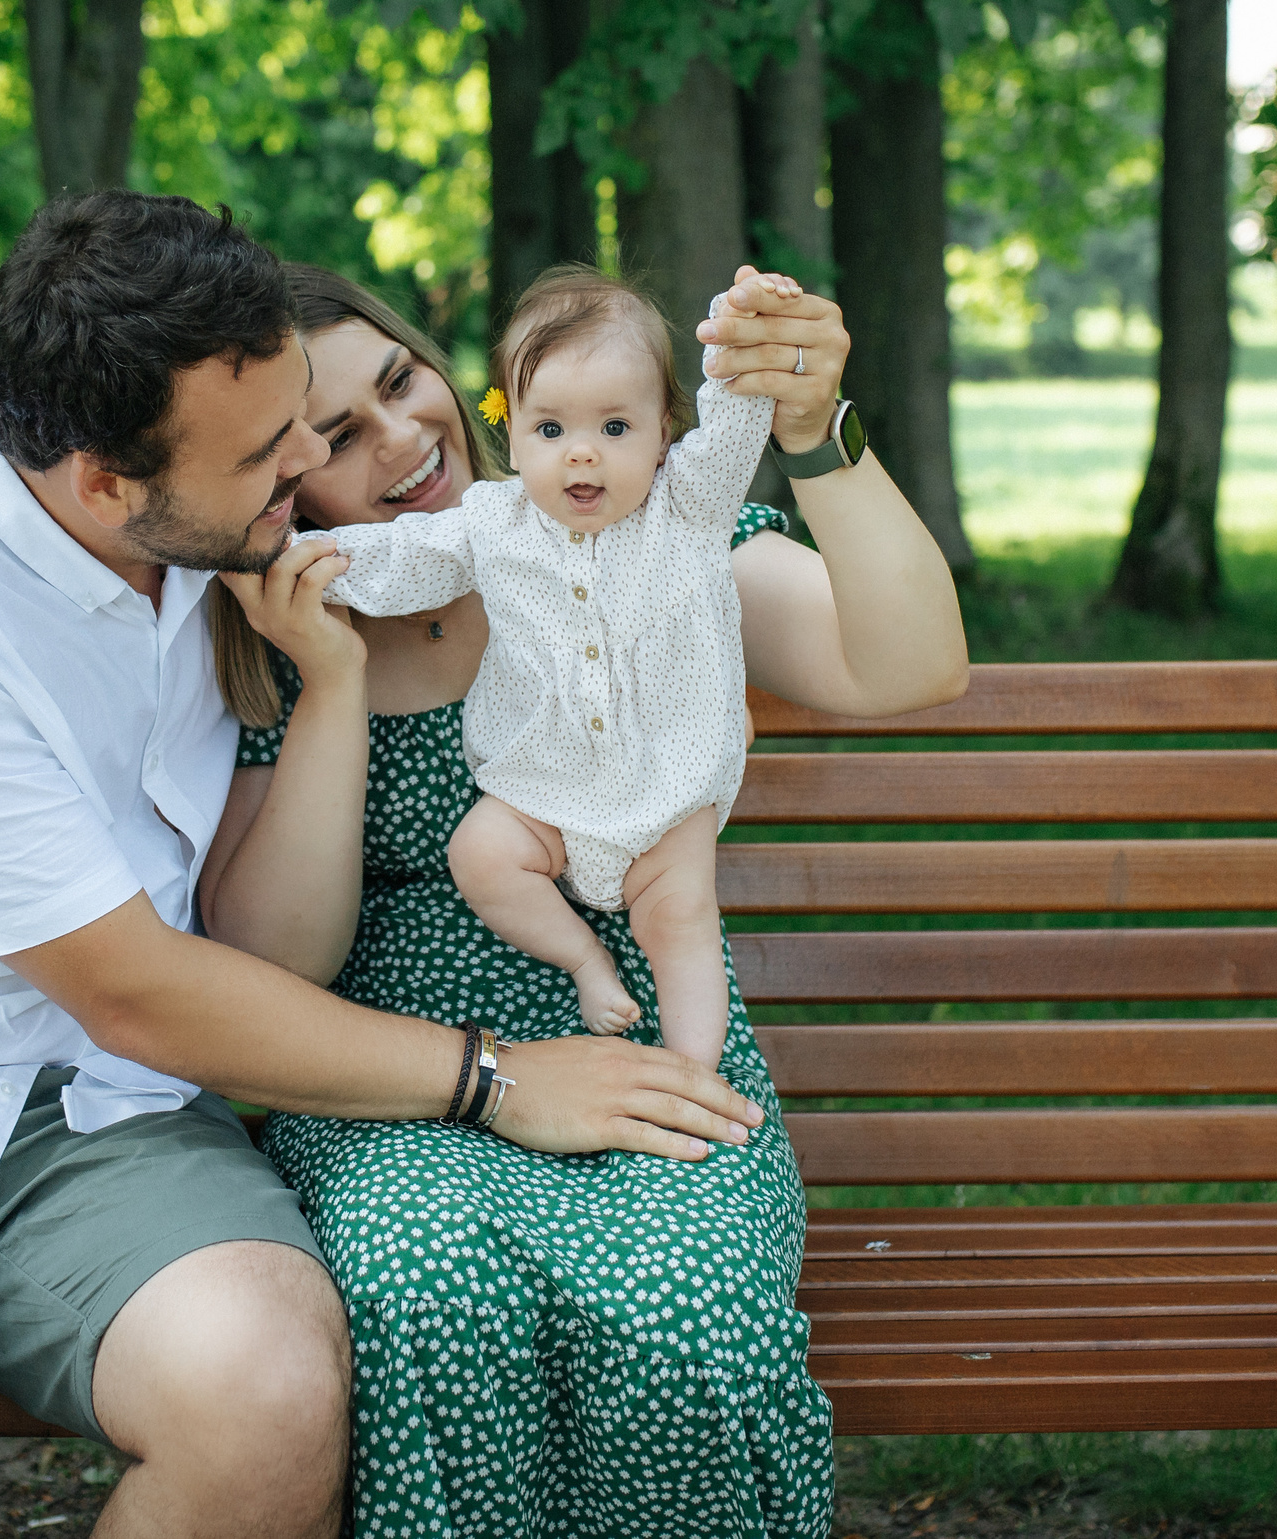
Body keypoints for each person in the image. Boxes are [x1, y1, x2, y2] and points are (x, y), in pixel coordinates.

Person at [0, 192, 763, 1539]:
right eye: (269, 451)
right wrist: (495, 1076)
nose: (311, 462)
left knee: (265, 1396)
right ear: (105, 485)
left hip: (110, 1124)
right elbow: (135, 988)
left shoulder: (219, 540)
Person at [200, 262, 970, 1537]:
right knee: (423, 1286)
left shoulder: (652, 536)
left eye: (401, 381)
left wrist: (812, 431)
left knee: (689, 1315)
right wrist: (331, 681)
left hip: (649, 1041)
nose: (400, 435)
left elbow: (916, 667)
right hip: (402, 1079)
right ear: (285, 474)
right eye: (336, 431)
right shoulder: (282, 634)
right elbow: (276, 961)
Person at [306, 267, 797, 1066]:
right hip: (540, 788)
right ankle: (584, 959)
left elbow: (738, 420)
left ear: (663, 433)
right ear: (512, 432)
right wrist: (300, 557)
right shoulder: (491, 523)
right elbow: (400, 557)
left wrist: (741, 328)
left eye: (615, 427)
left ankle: (695, 1071)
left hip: (664, 785)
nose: (582, 454)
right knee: (481, 854)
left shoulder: (688, 506)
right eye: (550, 429)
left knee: (682, 917)